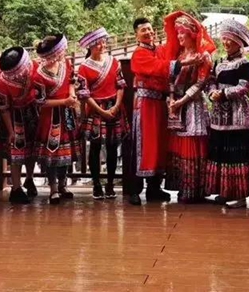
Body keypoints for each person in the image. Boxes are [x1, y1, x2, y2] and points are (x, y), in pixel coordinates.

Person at [128, 17, 195, 206]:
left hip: (160, 104)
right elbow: (158, 68)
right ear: (136, 35)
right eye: (143, 30)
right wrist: (182, 64)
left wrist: (178, 22)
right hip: (145, 104)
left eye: (150, 29)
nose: (148, 33)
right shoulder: (139, 54)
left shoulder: (159, 50)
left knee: (159, 145)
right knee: (143, 146)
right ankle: (134, 190)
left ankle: (154, 188)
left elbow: (173, 44)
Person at [205, 19, 249, 209]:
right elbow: (210, 81)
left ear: (239, 42)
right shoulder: (219, 62)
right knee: (222, 152)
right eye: (224, 38)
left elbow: (244, 87)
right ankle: (225, 191)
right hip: (219, 115)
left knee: (237, 153)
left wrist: (223, 94)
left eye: (230, 39)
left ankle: (241, 195)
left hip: (237, 114)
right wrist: (212, 92)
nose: (226, 43)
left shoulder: (244, 64)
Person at [164, 12, 216, 203]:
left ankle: (195, 189)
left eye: (182, 33)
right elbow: (170, 79)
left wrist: (181, 101)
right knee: (179, 145)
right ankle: (182, 187)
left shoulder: (203, 56)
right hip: (177, 104)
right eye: (177, 33)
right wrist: (171, 98)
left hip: (193, 105)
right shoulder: (179, 55)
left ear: (192, 34)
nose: (179, 36)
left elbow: (201, 83)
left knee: (192, 143)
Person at [77, 28, 129, 200]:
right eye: (98, 43)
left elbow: (121, 85)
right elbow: (84, 94)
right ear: (90, 46)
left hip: (113, 106)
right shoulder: (84, 67)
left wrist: (116, 106)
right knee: (95, 147)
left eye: (104, 42)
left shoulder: (114, 62)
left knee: (113, 146)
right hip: (96, 109)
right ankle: (96, 183)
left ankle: (110, 183)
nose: (102, 45)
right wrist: (101, 111)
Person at [32, 35, 83, 205]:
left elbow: (71, 81)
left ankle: (63, 185)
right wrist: (64, 101)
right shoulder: (39, 75)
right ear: (54, 53)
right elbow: (40, 102)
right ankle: (53, 188)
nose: (64, 52)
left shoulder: (66, 64)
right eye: (62, 50)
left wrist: (72, 95)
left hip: (67, 114)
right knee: (52, 153)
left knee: (66, 153)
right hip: (50, 117)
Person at [0, 46, 38, 205]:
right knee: (16, 152)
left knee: (33, 149)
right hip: (14, 117)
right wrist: (11, 131)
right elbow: (4, 108)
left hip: (33, 112)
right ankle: (16, 187)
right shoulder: (3, 81)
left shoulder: (34, 66)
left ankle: (29, 178)